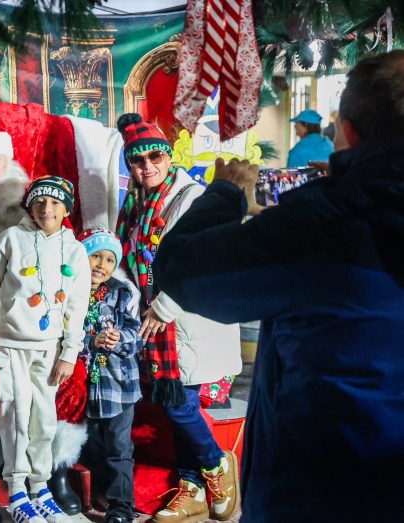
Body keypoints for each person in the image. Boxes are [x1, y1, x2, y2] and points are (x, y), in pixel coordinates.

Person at [153, 50, 404, 522]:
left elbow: (183, 272)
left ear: (345, 131)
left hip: (323, 488)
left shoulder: (325, 223)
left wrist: (225, 191)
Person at [0, 130, 89, 522]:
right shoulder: (10, 240)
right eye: (40, 202)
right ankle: (16, 492)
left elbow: (77, 306)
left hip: (48, 348)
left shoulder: (75, 251)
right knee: (14, 415)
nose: (47, 209)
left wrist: (68, 352)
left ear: (66, 210)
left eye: (55, 204)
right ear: (31, 205)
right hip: (7, 345)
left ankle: (42, 486)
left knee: (43, 419)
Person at [114, 114, 241, 523]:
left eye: (155, 155)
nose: (147, 165)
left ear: (168, 157)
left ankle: (216, 465)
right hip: (156, 323)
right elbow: (126, 262)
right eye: (137, 160)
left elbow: (202, 260)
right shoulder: (133, 204)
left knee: (181, 406)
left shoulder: (191, 197)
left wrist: (164, 307)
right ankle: (191, 489)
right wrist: (136, 303)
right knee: (177, 402)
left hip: (189, 318)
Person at [76, 227, 142, 523]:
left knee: (119, 447)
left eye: (110, 260)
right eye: (95, 257)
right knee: (93, 445)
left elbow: (135, 333)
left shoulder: (121, 291)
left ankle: (121, 507)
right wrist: (91, 341)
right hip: (86, 387)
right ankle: (97, 492)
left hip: (120, 386)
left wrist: (121, 338)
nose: (102, 265)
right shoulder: (70, 290)